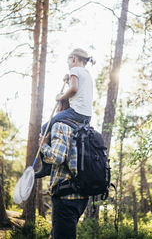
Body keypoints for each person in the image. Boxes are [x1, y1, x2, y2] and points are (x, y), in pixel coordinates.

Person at [35, 48, 94, 178]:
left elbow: (73, 89)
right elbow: (77, 91)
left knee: (45, 128)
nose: (68, 65)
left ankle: (45, 166)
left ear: (73, 59)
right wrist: (68, 81)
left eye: (68, 62)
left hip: (76, 112)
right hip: (86, 116)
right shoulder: (86, 73)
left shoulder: (74, 70)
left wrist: (60, 97)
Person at [38, 106, 88, 239]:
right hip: (81, 196)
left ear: (61, 106)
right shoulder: (81, 126)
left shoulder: (60, 125)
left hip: (65, 197)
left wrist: (43, 146)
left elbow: (57, 157)